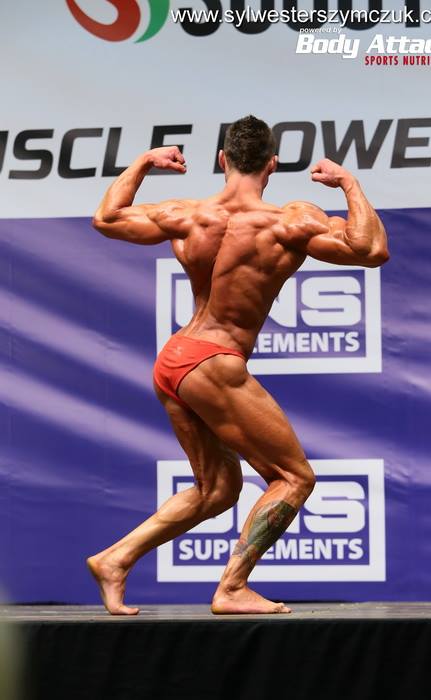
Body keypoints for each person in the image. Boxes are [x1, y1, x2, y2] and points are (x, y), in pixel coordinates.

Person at [87, 115, 389, 615]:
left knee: (218, 489)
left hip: (175, 359)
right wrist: (349, 184)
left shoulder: (188, 213)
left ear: (223, 160)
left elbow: (107, 218)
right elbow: (371, 248)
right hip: (214, 362)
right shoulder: (289, 222)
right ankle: (231, 588)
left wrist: (142, 162)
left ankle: (115, 559)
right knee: (294, 477)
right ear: (272, 164)